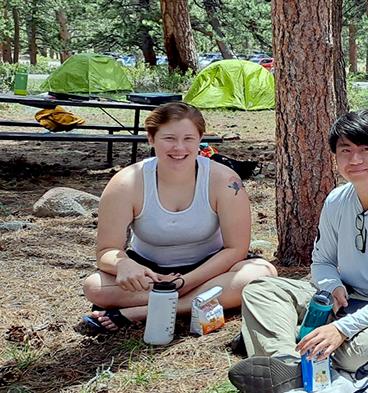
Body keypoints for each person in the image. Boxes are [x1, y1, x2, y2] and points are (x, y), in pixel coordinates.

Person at [228, 109, 368, 393]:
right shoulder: (338, 200)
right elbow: (323, 261)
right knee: (261, 289)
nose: (355, 160)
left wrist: (342, 329)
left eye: (366, 149)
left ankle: (280, 338)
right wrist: (332, 286)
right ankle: (287, 361)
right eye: (345, 150)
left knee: (354, 353)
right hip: (343, 298)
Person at [82, 102, 276, 333]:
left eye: (188, 139)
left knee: (261, 274)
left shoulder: (224, 180)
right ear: (151, 139)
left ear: (200, 139)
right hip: (149, 273)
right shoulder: (126, 183)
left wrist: (183, 284)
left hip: (209, 269)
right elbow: (106, 251)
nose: (179, 148)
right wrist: (124, 264)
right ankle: (200, 300)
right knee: (94, 287)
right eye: (169, 139)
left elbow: (236, 249)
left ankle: (146, 310)